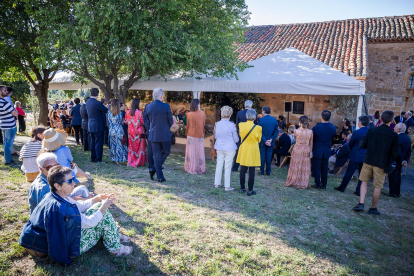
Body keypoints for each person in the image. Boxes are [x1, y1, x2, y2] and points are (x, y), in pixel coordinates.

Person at [19, 165, 132, 264]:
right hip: (67, 249)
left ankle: (112, 235)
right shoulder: (64, 207)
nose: (74, 182)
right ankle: (115, 249)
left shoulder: (55, 195)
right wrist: (103, 206)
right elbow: (91, 222)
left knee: (99, 209)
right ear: (57, 186)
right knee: (103, 214)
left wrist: (96, 199)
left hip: (41, 242)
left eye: (73, 178)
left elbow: (78, 206)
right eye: (69, 181)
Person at [353, 110, 399, 215]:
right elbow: (395, 153)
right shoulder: (393, 135)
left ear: (381, 119)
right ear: (391, 121)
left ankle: (361, 203)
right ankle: (373, 208)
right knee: (377, 186)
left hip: (369, 160)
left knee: (364, 182)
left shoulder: (371, 130)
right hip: (382, 163)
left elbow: (362, 144)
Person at [27, 153, 92, 214]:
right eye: (48, 167)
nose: (53, 169)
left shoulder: (49, 178)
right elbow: (52, 211)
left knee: (83, 189)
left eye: (56, 166)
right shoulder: (44, 188)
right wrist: (85, 200)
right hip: (49, 220)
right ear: (40, 169)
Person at [144, 88, 173, 182]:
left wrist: (149, 128)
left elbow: (145, 119)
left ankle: (156, 171)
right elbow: (170, 121)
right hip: (164, 134)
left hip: (153, 134)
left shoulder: (148, 106)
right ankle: (158, 175)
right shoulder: (166, 106)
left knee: (157, 155)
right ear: (161, 96)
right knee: (166, 152)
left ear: (153, 96)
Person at [334, 116, 369, 194]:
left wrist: (352, 151)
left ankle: (342, 187)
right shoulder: (371, 131)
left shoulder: (357, 132)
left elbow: (351, 143)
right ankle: (358, 191)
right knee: (362, 175)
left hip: (355, 155)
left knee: (349, 172)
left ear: (360, 123)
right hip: (365, 156)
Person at [237, 109, 262, 196]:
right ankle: (250, 189)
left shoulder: (241, 125)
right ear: (255, 118)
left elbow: (240, 135)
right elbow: (259, 140)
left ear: (246, 117)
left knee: (242, 169)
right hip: (253, 149)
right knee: (252, 170)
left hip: (244, 148)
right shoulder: (258, 128)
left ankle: (242, 188)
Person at [214, 106, 239, 191]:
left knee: (219, 164)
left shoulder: (217, 124)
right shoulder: (232, 125)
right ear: (230, 114)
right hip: (230, 147)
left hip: (220, 146)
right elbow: (236, 139)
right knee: (227, 167)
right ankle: (227, 186)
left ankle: (217, 183)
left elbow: (216, 136)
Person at [285, 116, 313, 189]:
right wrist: (310, 150)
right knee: (304, 166)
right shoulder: (310, 132)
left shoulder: (296, 131)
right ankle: (303, 183)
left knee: (295, 166)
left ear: (299, 122)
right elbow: (311, 143)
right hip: (306, 150)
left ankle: (294, 180)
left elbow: (295, 139)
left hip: (297, 149)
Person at [311, 110, 336, 190]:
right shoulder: (333, 128)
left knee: (317, 167)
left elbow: (313, 139)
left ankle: (317, 184)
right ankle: (324, 184)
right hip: (327, 149)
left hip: (317, 149)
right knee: (325, 167)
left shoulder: (316, 128)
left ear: (321, 117)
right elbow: (332, 138)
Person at [385, 123, 412, 198]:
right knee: (398, 176)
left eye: (395, 127)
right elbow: (409, 151)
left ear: (398, 129)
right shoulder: (407, 138)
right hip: (401, 160)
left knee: (393, 176)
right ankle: (397, 192)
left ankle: (393, 192)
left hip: (395, 160)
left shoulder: (397, 138)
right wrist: (405, 160)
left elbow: (398, 151)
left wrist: (401, 160)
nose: (394, 128)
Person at [86, 88, 109, 163]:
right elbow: (106, 110)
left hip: (90, 124)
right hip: (98, 125)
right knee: (99, 142)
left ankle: (93, 157)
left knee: (92, 142)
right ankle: (98, 159)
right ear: (98, 94)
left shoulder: (88, 101)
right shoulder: (97, 103)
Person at [184, 99, 206, 174]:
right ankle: (199, 167)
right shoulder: (202, 113)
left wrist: (186, 134)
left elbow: (188, 125)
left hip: (191, 134)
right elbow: (203, 124)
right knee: (199, 152)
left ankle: (190, 166)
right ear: (198, 104)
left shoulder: (189, 114)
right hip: (199, 135)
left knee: (191, 152)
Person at [232, 100, 255, 172]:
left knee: (239, 151)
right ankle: (246, 168)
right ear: (251, 106)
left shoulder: (239, 113)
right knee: (248, 151)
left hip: (241, 133)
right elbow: (255, 124)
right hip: (250, 134)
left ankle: (235, 167)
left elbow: (237, 124)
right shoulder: (254, 113)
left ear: (244, 105)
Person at [0, 85, 18, 166]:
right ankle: (8, 160)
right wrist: (14, 112)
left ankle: (7, 159)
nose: (6, 92)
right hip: (10, 126)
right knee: (8, 144)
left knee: (5, 143)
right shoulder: (4, 102)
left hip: (3, 125)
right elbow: (15, 113)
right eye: (4, 90)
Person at [126, 99, 147, 167]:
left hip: (130, 132)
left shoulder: (127, 112)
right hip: (139, 132)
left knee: (132, 147)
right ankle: (138, 162)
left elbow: (126, 121)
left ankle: (131, 161)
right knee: (140, 147)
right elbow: (142, 122)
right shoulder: (139, 112)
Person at [258, 106, 278, 175]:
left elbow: (260, 131)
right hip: (270, 142)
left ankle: (262, 171)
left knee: (262, 156)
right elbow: (276, 131)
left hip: (263, 142)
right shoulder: (274, 120)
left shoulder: (261, 120)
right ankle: (268, 172)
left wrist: (265, 140)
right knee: (269, 156)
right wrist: (271, 139)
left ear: (264, 111)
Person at [106, 99, 128, 165]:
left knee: (113, 145)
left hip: (111, 129)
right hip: (118, 130)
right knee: (119, 145)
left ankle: (113, 158)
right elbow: (121, 122)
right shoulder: (120, 113)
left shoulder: (108, 113)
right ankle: (118, 160)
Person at [143, 103, 155, 176]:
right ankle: (151, 164)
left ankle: (153, 164)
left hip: (151, 130)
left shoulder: (147, 110)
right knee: (150, 148)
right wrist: (149, 129)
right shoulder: (148, 110)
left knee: (152, 148)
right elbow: (145, 120)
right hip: (150, 131)